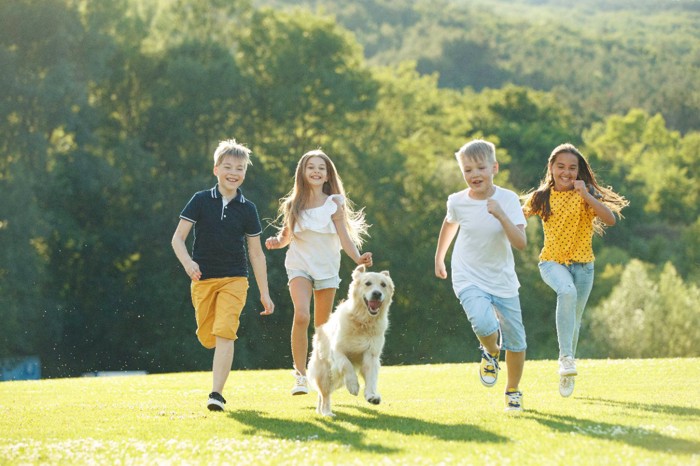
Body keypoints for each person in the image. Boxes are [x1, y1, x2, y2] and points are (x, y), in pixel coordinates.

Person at [171, 139, 275, 411]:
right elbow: (177, 239)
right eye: (227, 166)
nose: (233, 172)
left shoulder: (248, 209)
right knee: (208, 336)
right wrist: (188, 263)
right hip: (202, 279)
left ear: (245, 173)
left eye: (239, 168)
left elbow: (256, 253)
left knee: (226, 332)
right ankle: (215, 359)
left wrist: (264, 292)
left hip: (235, 279)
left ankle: (216, 394)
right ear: (216, 169)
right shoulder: (200, 200)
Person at [522, 143, 628, 398]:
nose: (566, 172)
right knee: (566, 292)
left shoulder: (586, 193)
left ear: (579, 171)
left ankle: (566, 369)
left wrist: (587, 196)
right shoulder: (541, 197)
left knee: (575, 320)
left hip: (584, 267)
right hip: (551, 263)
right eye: (561, 167)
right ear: (551, 168)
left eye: (572, 168)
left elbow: (610, 220)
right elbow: (517, 217)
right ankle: (566, 358)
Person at [265, 149, 373, 395]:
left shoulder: (334, 204)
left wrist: (358, 257)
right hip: (299, 265)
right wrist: (275, 242)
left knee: (322, 326)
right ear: (302, 173)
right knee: (302, 315)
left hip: (326, 269)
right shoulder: (294, 205)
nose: (315, 171)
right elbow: (285, 238)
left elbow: (344, 237)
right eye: (310, 167)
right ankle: (300, 376)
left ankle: (322, 370)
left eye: (321, 168)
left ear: (327, 175)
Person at [435, 139, 528, 412]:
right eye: (467, 170)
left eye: (480, 168)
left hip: (503, 280)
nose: (474, 175)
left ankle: (512, 391)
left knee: (517, 341)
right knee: (484, 325)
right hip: (468, 276)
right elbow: (450, 223)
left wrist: (501, 215)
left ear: (494, 168)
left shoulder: (508, 199)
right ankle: (491, 351)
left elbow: (520, 242)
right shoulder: (457, 201)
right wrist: (440, 257)